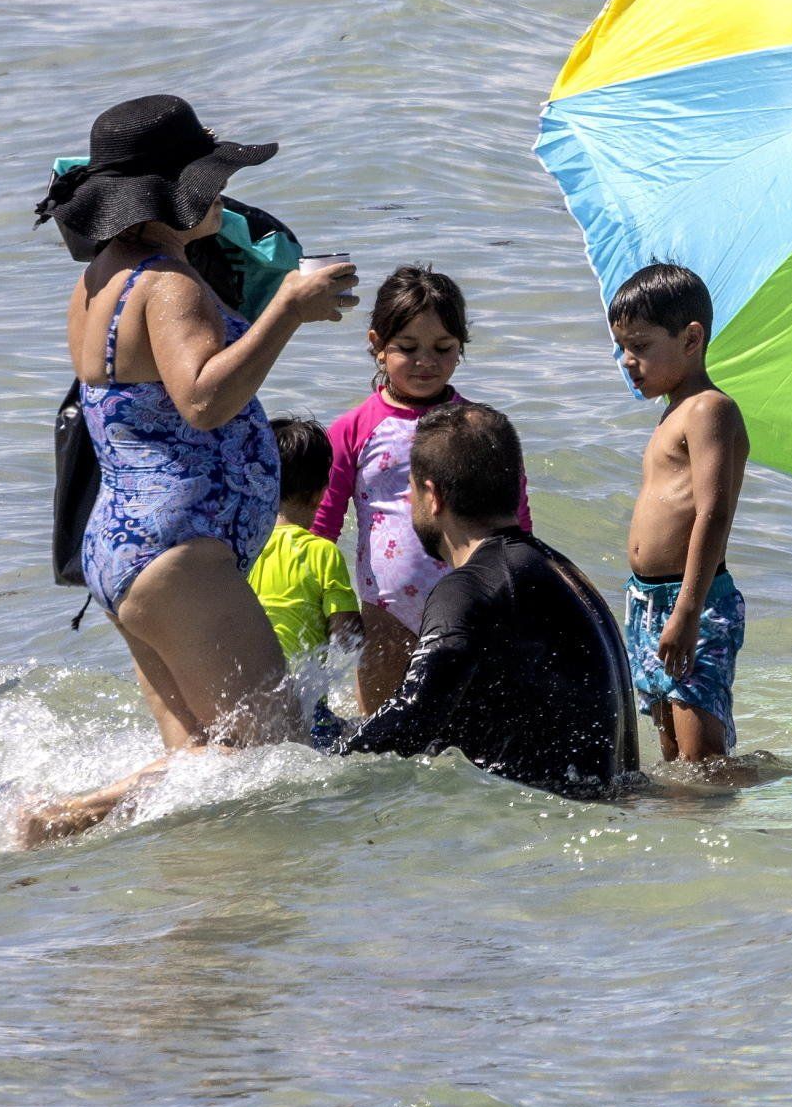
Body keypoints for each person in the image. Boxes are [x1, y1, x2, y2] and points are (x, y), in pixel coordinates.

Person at [17, 97, 357, 844]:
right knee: (278, 762)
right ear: (167, 197)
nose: (222, 196)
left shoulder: (102, 279)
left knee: (208, 769)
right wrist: (288, 311)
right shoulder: (167, 284)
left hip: (126, 546)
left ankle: (204, 931)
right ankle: (69, 815)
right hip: (176, 554)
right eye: (210, 182)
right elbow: (202, 397)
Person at [337, 404, 638, 802]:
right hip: (602, 810)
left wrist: (329, 766)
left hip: (542, 832)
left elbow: (416, 713)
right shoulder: (559, 571)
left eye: (410, 491)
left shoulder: (470, 586)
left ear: (432, 496)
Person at [311, 266, 529, 714]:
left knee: (468, 731)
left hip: (471, 603)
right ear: (376, 346)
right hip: (384, 611)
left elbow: (515, 519)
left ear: (461, 347)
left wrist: (523, 591)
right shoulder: (353, 429)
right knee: (381, 739)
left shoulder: (479, 428)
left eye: (443, 348)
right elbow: (321, 529)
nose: (426, 361)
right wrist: (326, 603)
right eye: (407, 348)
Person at [609, 263, 752, 769]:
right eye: (623, 348)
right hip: (649, 600)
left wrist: (688, 613)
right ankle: (681, 841)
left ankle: (744, 810)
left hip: (693, 599)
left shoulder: (710, 409)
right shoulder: (673, 410)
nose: (628, 361)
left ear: (691, 338)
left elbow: (712, 514)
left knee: (703, 761)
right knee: (672, 756)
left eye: (641, 347)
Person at [248, 415, 361, 664]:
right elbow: (347, 636)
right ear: (320, 495)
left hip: (245, 681)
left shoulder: (241, 549)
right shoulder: (322, 553)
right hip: (303, 690)